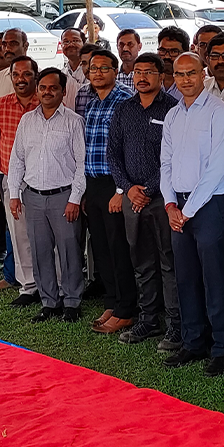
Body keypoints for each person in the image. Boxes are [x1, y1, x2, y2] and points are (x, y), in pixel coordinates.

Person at [160, 52, 224, 375]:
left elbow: (218, 167)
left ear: (203, 74)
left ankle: (223, 347)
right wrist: (169, 204)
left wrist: (187, 211)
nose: (185, 80)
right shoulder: (174, 115)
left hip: (211, 205)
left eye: (191, 73)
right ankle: (194, 342)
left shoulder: (220, 114)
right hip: (179, 206)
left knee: (215, 278)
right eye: (179, 74)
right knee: (187, 277)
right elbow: (165, 162)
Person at [106, 53, 181, 349]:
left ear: (161, 76)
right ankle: (148, 319)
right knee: (141, 261)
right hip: (131, 198)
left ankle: (175, 325)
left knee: (168, 262)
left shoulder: (172, 109)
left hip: (163, 198)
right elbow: (113, 153)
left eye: (149, 72)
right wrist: (127, 187)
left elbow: (173, 157)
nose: (142, 77)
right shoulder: (124, 109)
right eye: (138, 71)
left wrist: (147, 189)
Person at [8, 68, 87, 321]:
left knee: (69, 250)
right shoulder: (26, 121)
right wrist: (13, 193)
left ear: (63, 92)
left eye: (53, 87)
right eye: (43, 87)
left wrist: (75, 198)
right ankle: (49, 301)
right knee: (40, 250)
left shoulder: (73, 122)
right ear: (37, 89)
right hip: (33, 196)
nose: (47, 91)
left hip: (63, 197)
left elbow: (81, 164)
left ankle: (72, 302)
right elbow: (17, 160)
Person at [82, 49, 140, 335]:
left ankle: (127, 308)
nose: (98, 73)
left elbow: (126, 150)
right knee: (101, 246)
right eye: (94, 68)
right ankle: (112, 301)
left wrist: (120, 190)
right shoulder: (92, 103)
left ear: (115, 72)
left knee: (119, 247)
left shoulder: (124, 102)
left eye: (105, 68)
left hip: (114, 184)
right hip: (93, 183)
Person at [0, 56, 41, 304]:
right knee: (18, 234)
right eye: (16, 75)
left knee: (47, 235)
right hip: (11, 180)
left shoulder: (46, 102)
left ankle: (53, 284)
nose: (21, 79)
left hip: (45, 180)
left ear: (35, 76)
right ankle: (28, 286)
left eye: (26, 74)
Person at [157, 26, 190, 103]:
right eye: (162, 50)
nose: (167, 56)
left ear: (186, 53)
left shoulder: (193, 82)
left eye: (174, 51)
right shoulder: (149, 80)